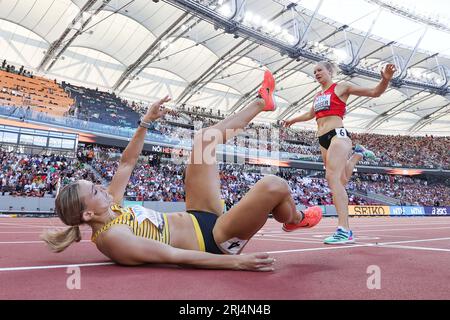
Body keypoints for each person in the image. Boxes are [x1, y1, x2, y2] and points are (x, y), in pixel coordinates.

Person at [42, 71, 322, 271]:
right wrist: (234, 261)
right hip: (214, 241)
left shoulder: (111, 206)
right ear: (88, 214)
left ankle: (262, 102)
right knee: (274, 184)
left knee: (204, 140)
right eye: (94, 191)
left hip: (199, 215)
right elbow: (174, 255)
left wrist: (145, 122)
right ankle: (294, 218)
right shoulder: (113, 239)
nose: (101, 187)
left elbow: (127, 163)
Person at [282, 61, 396, 245]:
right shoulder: (318, 95)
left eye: (320, 70)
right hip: (322, 139)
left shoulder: (341, 87)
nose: (316, 73)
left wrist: (385, 80)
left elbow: (375, 92)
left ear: (329, 71)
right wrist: (292, 120)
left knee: (332, 178)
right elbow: (310, 115)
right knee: (340, 181)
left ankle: (345, 230)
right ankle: (358, 153)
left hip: (338, 135)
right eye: (314, 71)